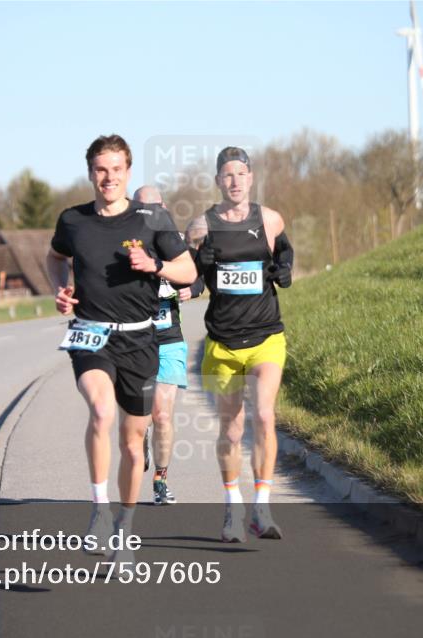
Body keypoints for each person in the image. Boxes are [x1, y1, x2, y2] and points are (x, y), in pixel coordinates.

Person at [46, 135, 196, 557]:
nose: (108, 177)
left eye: (116, 169)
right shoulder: (73, 221)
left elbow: (187, 269)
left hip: (141, 337)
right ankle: (99, 511)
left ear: (128, 172)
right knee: (100, 409)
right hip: (91, 333)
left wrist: (156, 265)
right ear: (90, 172)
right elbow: (55, 258)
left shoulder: (152, 221)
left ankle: (125, 526)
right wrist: (60, 288)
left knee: (133, 444)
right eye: (100, 169)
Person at [187, 147, 293, 542]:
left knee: (264, 416)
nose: (234, 181)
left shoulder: (269, 219)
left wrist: (284, 268)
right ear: (218, 181)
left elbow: (284, 249)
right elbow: (190, 277)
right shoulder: (200, 226)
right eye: (227, 175)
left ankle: (261, 508)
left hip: (266, 335)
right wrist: (202, 270)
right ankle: (233, 506)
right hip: (223, 342)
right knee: (231, 432)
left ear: (251, 178)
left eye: (241, 174)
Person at [132, 185, 205, 506]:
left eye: (154, 205)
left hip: (168, 339)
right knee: (139, 418)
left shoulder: (172, 243)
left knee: (162, 415)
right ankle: (141, 437)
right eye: (140, 206)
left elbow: (200, 272)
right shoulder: (125, 245)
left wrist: (195, 288)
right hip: (133, 342)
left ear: (163, 206)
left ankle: (161, 480)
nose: (147, 212)